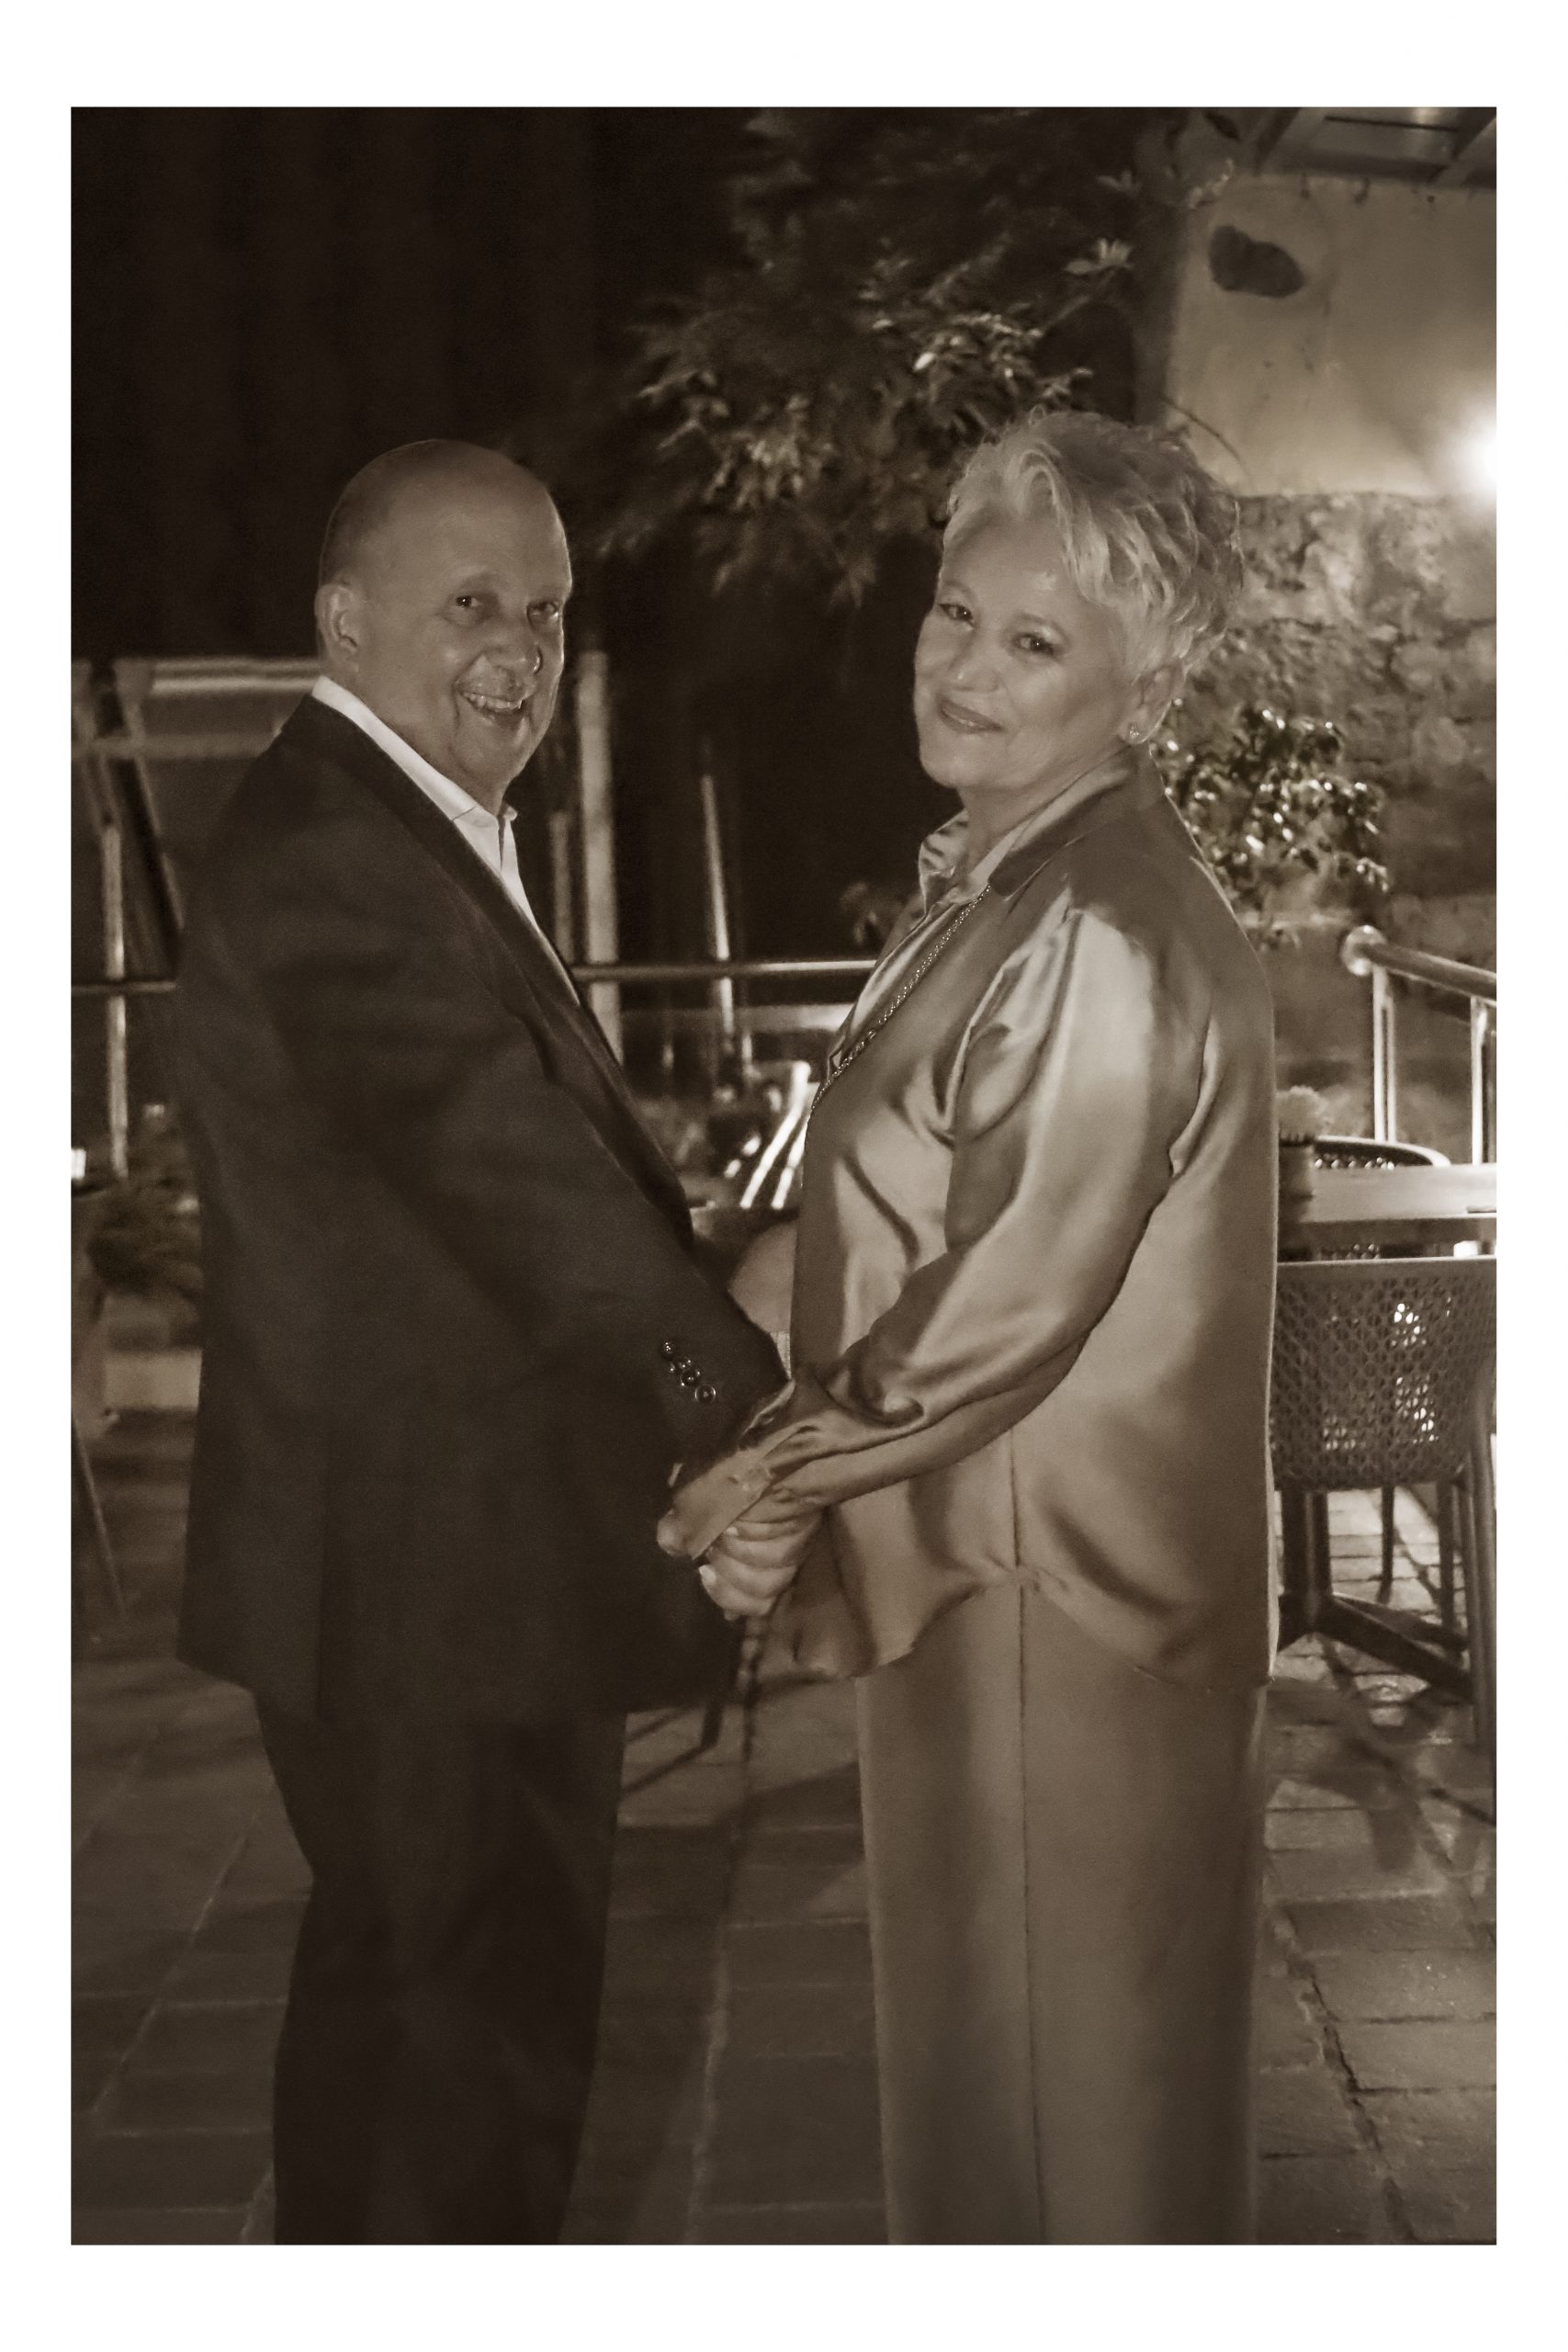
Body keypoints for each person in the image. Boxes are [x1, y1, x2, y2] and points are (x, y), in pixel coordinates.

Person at [661, 410, 1278, 2244]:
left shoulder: (1095, 923)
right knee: (1007, 2094)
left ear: (1143, 687)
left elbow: (1001, 1300)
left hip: (1050, 1604)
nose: (965, 668)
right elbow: (900, 1227)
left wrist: (760, 1481)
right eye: (954, 612)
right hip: (976, 1575)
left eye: (1033, 641)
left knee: (1061, 2119)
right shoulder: (1008, 884)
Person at [174, 440, 783, 2244]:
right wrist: (744, 1412)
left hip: (434, 1565)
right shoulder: (336, 851)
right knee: (473, 2055)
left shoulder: (388, 826)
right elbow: (509, 1174)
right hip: (430, 1575)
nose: (520, 648)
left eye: (545, 608)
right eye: (469, 605)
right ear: (343, 621)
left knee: (412, 2008)